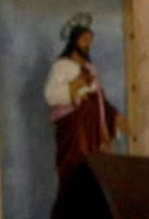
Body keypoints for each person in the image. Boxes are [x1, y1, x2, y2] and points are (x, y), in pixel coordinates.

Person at [45, 19, 119, 176]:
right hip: (73, 130)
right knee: (74, 170)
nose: (87, 44)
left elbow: (98, 99)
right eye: (84, 40)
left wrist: (103, 126)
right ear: (74, 41)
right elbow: (50, 95)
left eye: (89, 41)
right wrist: (72, 89)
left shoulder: (90, 69)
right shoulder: (61, 66)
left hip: (92, 130)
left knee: (93, 173)